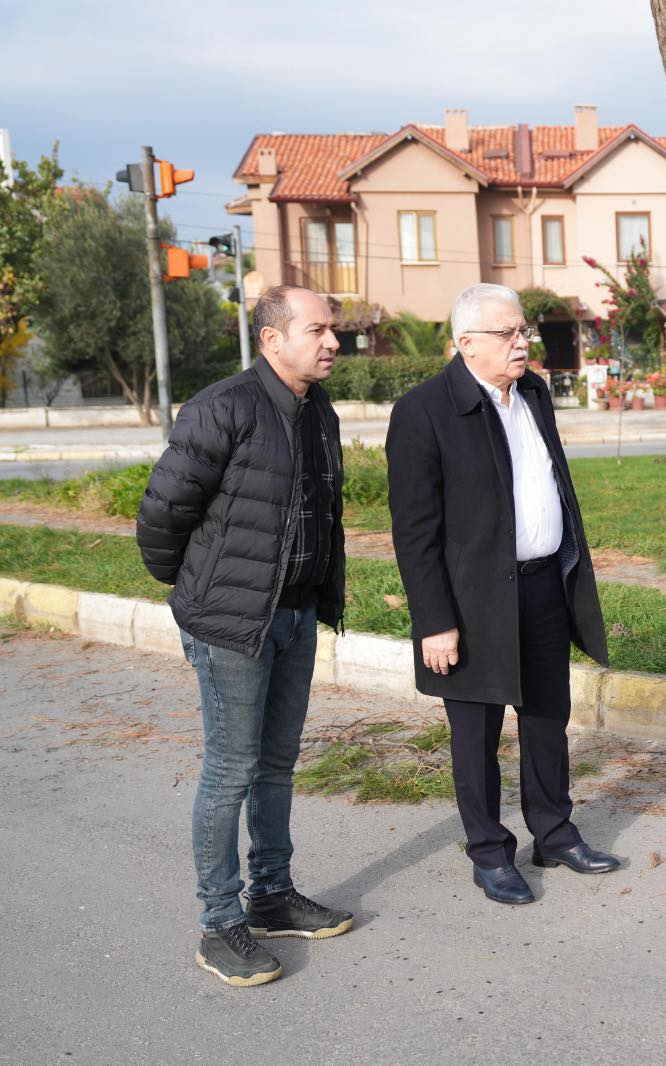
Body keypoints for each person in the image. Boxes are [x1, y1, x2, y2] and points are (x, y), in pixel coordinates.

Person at [137, 284, 353, 987]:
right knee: (230, 771)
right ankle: (219, 924)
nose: (332, 342)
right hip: (231, 624)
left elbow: (322, 514)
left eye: (333, 329)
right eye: (317, 329)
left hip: (293, 615)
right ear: (272, 339)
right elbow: (162, 516)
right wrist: (200, 597)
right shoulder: (221, 408)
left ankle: (271, 895)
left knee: (277, 764)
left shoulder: (318, 410)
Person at [386, 283, 615, 907]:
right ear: (465, 343)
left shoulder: (534, 395)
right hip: (470, 603)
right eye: (508, 334)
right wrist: (435, 620)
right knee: (476, 734)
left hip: (542, 584)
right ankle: (489, 851)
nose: (523, 342)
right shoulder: (424, 411)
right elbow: (414, 531)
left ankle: (554, 832)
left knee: (547, 720)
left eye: (525, 332)